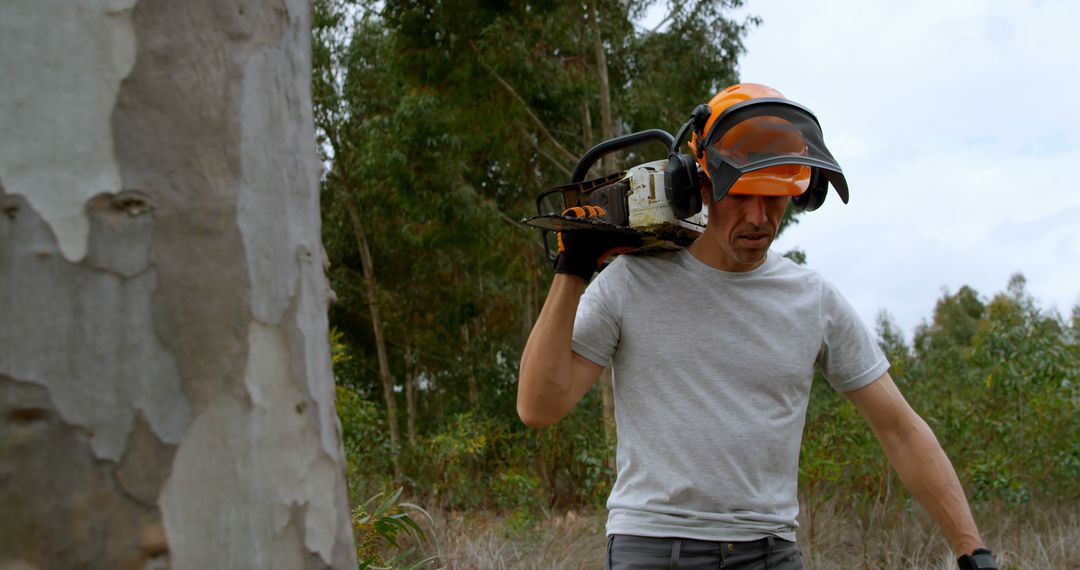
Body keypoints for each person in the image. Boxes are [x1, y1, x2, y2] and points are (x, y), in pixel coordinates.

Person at [517, 83, 997, 570]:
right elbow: (539, 406)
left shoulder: (813, 300)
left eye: (774, 199)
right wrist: (572, 269)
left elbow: (900, 429)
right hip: (655, 547)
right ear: (697, 187)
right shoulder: (631, 281)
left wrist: (970, 546)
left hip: (770, 553)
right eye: (742, 195)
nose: (758, 218)